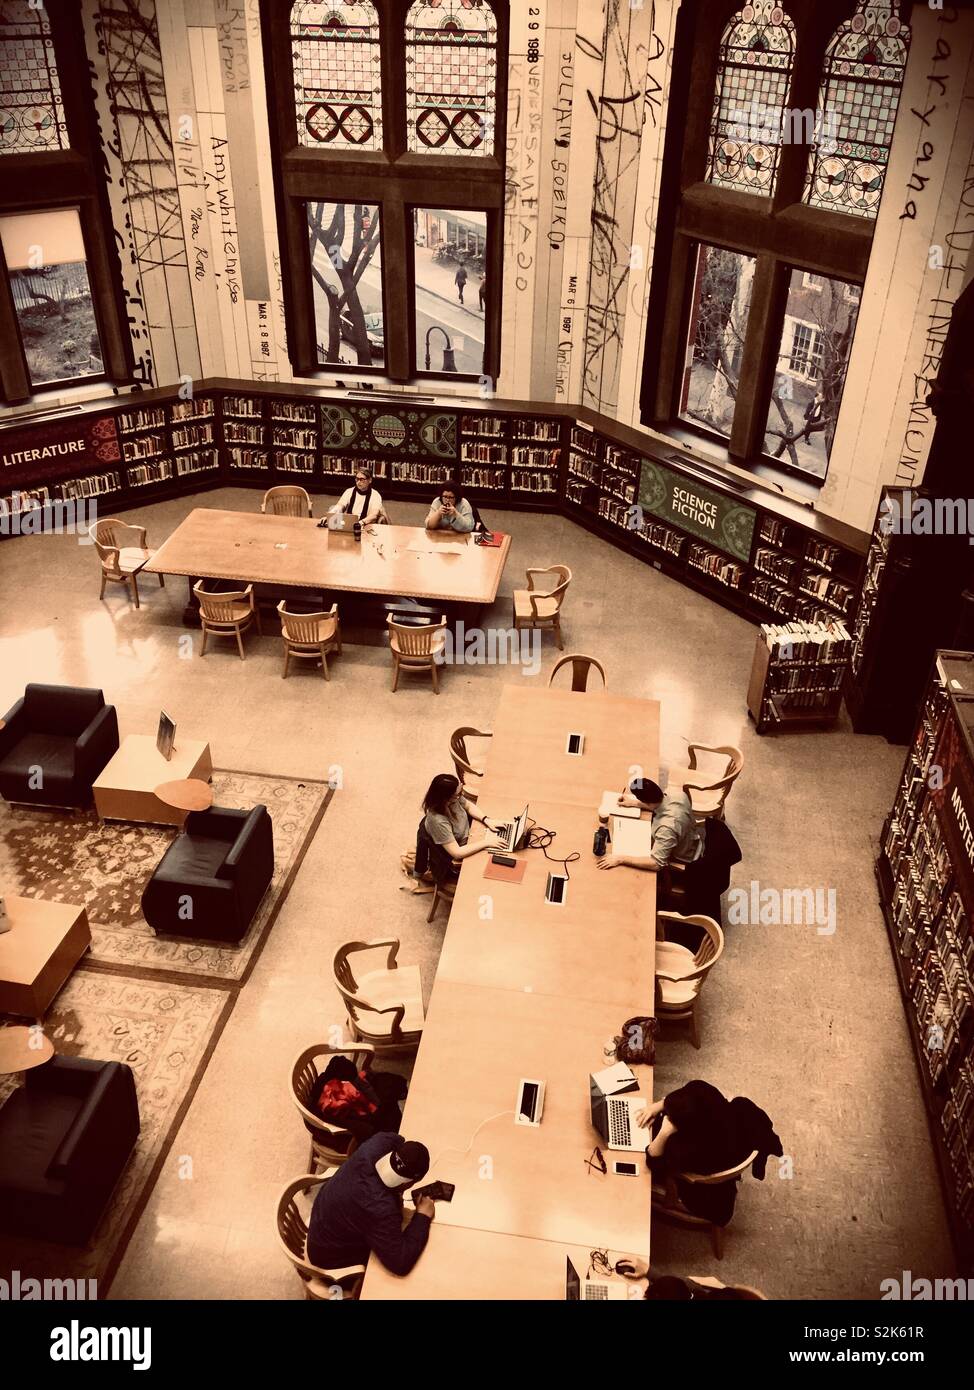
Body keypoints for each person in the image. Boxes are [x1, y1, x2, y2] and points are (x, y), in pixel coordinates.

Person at [636, 1080, 782, 1229]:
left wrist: (664, 1132)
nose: (667, 1117)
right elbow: (689, 1091)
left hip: (704, 1193)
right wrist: (659, 1105)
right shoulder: (705, 1092)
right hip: (730, 1141)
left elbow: (654, 1164)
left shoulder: (692, 1152)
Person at [306, 1132, 434, 1277]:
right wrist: (422, 1216)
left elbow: (397, 1138)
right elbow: (400, 1263)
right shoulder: (381, 1208)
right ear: (412, 1182)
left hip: (323, 1220)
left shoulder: (379, 1143)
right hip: (330, 1258)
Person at [596, 776, 702, 874]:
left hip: (684, 856)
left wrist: (620, 859)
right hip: (690, 838)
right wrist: (635, 803)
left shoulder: (666, 828)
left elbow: (656, 863)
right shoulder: (677, 794)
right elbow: (660, 804)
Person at [422, 773, 506, 882]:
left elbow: (468, 806)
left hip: (472, 836)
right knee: (498, 868)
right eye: (457, 794)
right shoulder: (438, 821)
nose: (460, 795)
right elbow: (456, 853)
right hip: (462, 853)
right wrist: (486, 842)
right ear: (445, 798)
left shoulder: (453, 799)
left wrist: (487, 820)